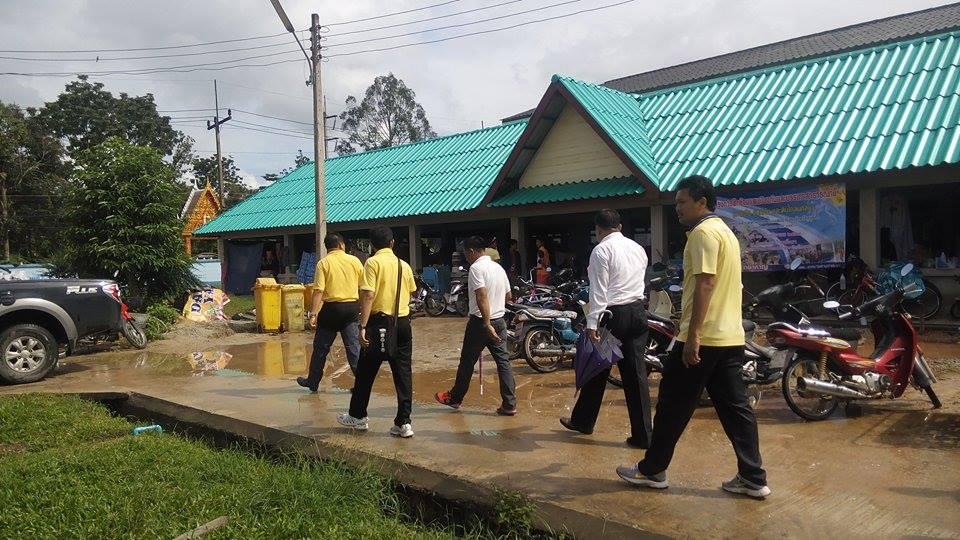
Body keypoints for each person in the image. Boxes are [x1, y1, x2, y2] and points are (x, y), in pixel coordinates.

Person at [617, 175, 770, 499]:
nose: (677, 208)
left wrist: (694, 336)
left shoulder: (702, 234)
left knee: (671, 405)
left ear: (702, 202)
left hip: (704, 337)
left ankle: (652, 470)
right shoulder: (725, 233)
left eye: (682, 202)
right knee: (736, 410)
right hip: (730, 337)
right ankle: (753, 477)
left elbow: (706, 283)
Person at [560, 210, 652, 448]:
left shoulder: (601, 250)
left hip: (613, 317)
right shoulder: (637, 248)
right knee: (636, 376)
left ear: (598, 229)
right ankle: (644, 436)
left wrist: (592, 323)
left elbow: (598, 291)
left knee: (597, 368)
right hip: (638, 313)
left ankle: (583, 421)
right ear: (619, 226)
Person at [337, 226, 418, 438]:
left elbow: (368, 295)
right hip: (402, 323)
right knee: (403, 374)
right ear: (392, 243)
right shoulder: (403, 265)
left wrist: (362, 326)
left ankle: (358, 416)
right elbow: (411, 292)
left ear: (372, 245)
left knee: (365, 372)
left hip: (378, 322)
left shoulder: (372, 263)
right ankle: (404, 422)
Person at [435, 236, 516, 415]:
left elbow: (481, 296)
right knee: (503, 362)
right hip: (499, 320)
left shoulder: (476, 268)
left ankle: (455, 398)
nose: (466, 257)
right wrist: (495, 309)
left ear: (471, 251)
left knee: (467, 362)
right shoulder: (498, 268)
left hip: (481, 323)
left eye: (465, 253)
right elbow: (509, 296)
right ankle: (510, 404)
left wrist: (487, 323)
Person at [297, 233, 363, 392]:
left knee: (321, 348)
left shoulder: (323, 263)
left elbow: (318, 290)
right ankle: (362, 385)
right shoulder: (355, 261)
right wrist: (360, 308)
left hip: (331, 310)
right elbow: (363, 287)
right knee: (353, 348)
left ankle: (313, 381)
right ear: (341, 245)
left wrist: (313, 314)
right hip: (351, 308)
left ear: (327, 248)